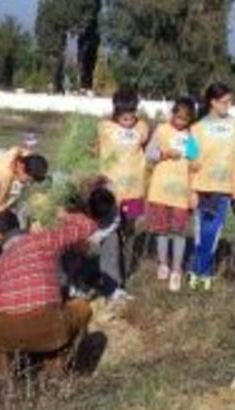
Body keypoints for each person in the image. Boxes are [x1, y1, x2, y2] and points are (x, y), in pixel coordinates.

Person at [0, 188, 115, 384]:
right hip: (47, 325)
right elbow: (88, 226)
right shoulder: (42, 239)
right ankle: (57, 369)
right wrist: (65, 215)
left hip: (5, 333)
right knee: (81, 307)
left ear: (0, 236)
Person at [187, 83, 235, 291]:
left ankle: (200, 270)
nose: (228, 105)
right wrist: (191, 190)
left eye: (230, 101)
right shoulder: (196, 128)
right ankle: (201, 271)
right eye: (224, 101)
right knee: (202, 230)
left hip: (226, 187)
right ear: (212, 102)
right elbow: (191, 161)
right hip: (203, 186)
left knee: (214, 231)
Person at [95, 87, 151, 302]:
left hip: (134, 191)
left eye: (131, 116)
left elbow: (145, 146)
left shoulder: (143, 127)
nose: (128, 121)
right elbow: (96, 149)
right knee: (109, 234)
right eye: (123, 117)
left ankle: (123, 276)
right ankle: (111, 285)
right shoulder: (104, 127)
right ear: (115, 112)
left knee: (128, 234)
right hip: (110, 193)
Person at [145, 97, 199, 292]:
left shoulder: (192, 136)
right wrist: (165, 154)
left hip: (181, 193)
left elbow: (194, 164)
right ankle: (162, 264)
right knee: (160, 230)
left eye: (185, 119)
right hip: (159, 190)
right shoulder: (161, 130)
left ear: (190, 120)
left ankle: (176, 270)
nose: (180, 122)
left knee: (179, 231)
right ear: (172, 114)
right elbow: (149, 154)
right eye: (177, 117)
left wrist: (193, 190)